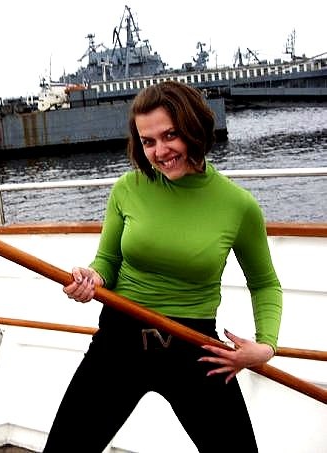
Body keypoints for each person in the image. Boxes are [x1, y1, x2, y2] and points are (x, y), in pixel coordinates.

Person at [43, 81, 282, 453]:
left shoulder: (238, 206)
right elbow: (108, 261)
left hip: (193, 345)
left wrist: (265, 346)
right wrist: (93, 277)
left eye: (170, 135)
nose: (160, 151)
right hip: (120, 339)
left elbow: (265, 283)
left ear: (194, 127)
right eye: (148, 141)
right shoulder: (128, 188)